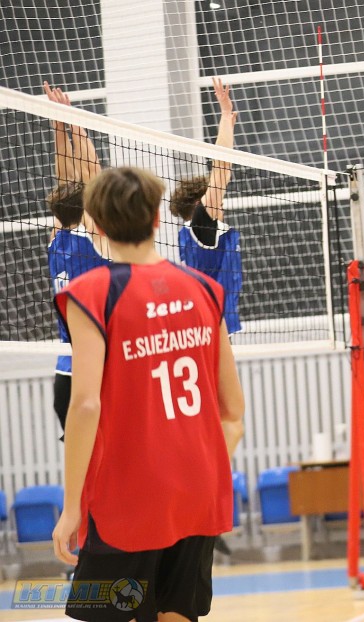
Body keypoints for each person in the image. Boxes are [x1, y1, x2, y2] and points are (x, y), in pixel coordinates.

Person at [52, 167, 246, 622]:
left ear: (97, 225)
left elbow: (85, 404)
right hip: (197, 489)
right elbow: (233, 414)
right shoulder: (206, 290)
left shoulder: (90, 293)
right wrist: (198, 473)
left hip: (128, 494)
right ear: (158, 219)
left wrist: (72, 506)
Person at [42, 80, 110, 438]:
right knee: (70, 417)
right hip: (81, 355)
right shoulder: (73, 236)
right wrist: (64, 124)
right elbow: (77, 176)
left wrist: (66, 123)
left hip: (86, 356)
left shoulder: (74, 235)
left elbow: (80, 176)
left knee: (93, 441)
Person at [169, 77, 243, 334]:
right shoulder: (201, 226)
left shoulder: (195, 233)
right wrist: (224, 114)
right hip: (211, 324)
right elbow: (221, 169)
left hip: (210, 321)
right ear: (199, 203)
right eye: (213, 195)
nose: (220, 198)